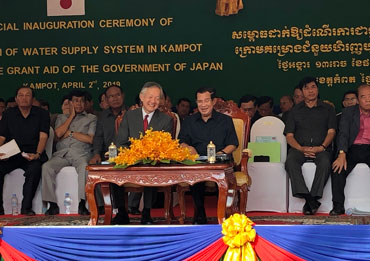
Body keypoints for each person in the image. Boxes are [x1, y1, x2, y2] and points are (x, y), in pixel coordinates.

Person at [114, 82, 173, 225]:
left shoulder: (166, 120)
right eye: (150, 97)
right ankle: (121, 212)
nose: (153, 101)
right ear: (141, 97)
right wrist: (134, 155)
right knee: (113, 171)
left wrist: (148, 155)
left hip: (152, 161)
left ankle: (147, 212)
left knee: (150, 169)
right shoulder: (129, 116)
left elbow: (165, 147)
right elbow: (121, 143)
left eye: (157, 98)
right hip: (130, 161)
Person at [178, 87, 239, 224]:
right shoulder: (189, 121)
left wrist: (221, 154)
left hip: (219, 162)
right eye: (200, 101)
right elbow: (181, 141)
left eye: (206, 101)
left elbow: (233, 143)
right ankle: (200, 213)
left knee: (221, 178)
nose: (203, 105)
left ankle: (223, 214)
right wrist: (188, 147)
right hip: (198, 162)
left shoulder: (225, 121)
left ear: (213, 102)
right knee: (195, 175)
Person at [284, 76, 336, 215]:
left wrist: (322, 147)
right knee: (290, 161)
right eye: (306, 88)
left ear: (318, 89)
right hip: (299, 149)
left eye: (313, 87)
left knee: (325, 162)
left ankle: (311, 198)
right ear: (302, 92)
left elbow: (332, 131)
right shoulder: (294, 111)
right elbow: (289, 136)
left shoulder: (328, 109)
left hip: (322, 148)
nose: (310, 91)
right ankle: (309, 198)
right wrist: (301, 148)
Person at [42, 90, 97, 216]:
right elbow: (58, 135)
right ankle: (53, 204)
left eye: (82, 101)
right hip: (62, 154)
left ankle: (82, 203)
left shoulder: (91, 118)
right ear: (71, 103)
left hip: (81, 153)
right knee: (46, 167)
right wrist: (71, 116)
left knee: (84, 167)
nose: (79, 104)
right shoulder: (61, 118)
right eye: (76, 101)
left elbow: (90, 139)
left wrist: (71, 134)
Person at [0, 86, 50, 215]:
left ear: (33, 99)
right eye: (20, 95)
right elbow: (2, 137)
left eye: (27, 95)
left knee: (34, 170)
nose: (24, 98)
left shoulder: (42, 114)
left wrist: (37, 154)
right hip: (12, 154)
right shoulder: (8, 114)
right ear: (16, 99)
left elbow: (43, 136)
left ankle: (26, 208)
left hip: (32, 154)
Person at [330, 84, 370, 215]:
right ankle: (338, 206)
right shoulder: (348, 112)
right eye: (363, 97)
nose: (367, 100)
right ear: (358, 100)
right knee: (337, 168)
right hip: (352, 148)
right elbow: (343, 133)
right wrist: (342, 153)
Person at [89, 85, 126, 214]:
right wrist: (96, 153)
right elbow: (98, 137)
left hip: (127, 155)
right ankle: (102, 206)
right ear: (107, 99)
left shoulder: (131, 114)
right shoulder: (103, 116)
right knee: (95, 168)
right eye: (111, 96)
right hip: (107, 155)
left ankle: (129, 207)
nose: (115, 99)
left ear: (123, 96)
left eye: (117, 95)